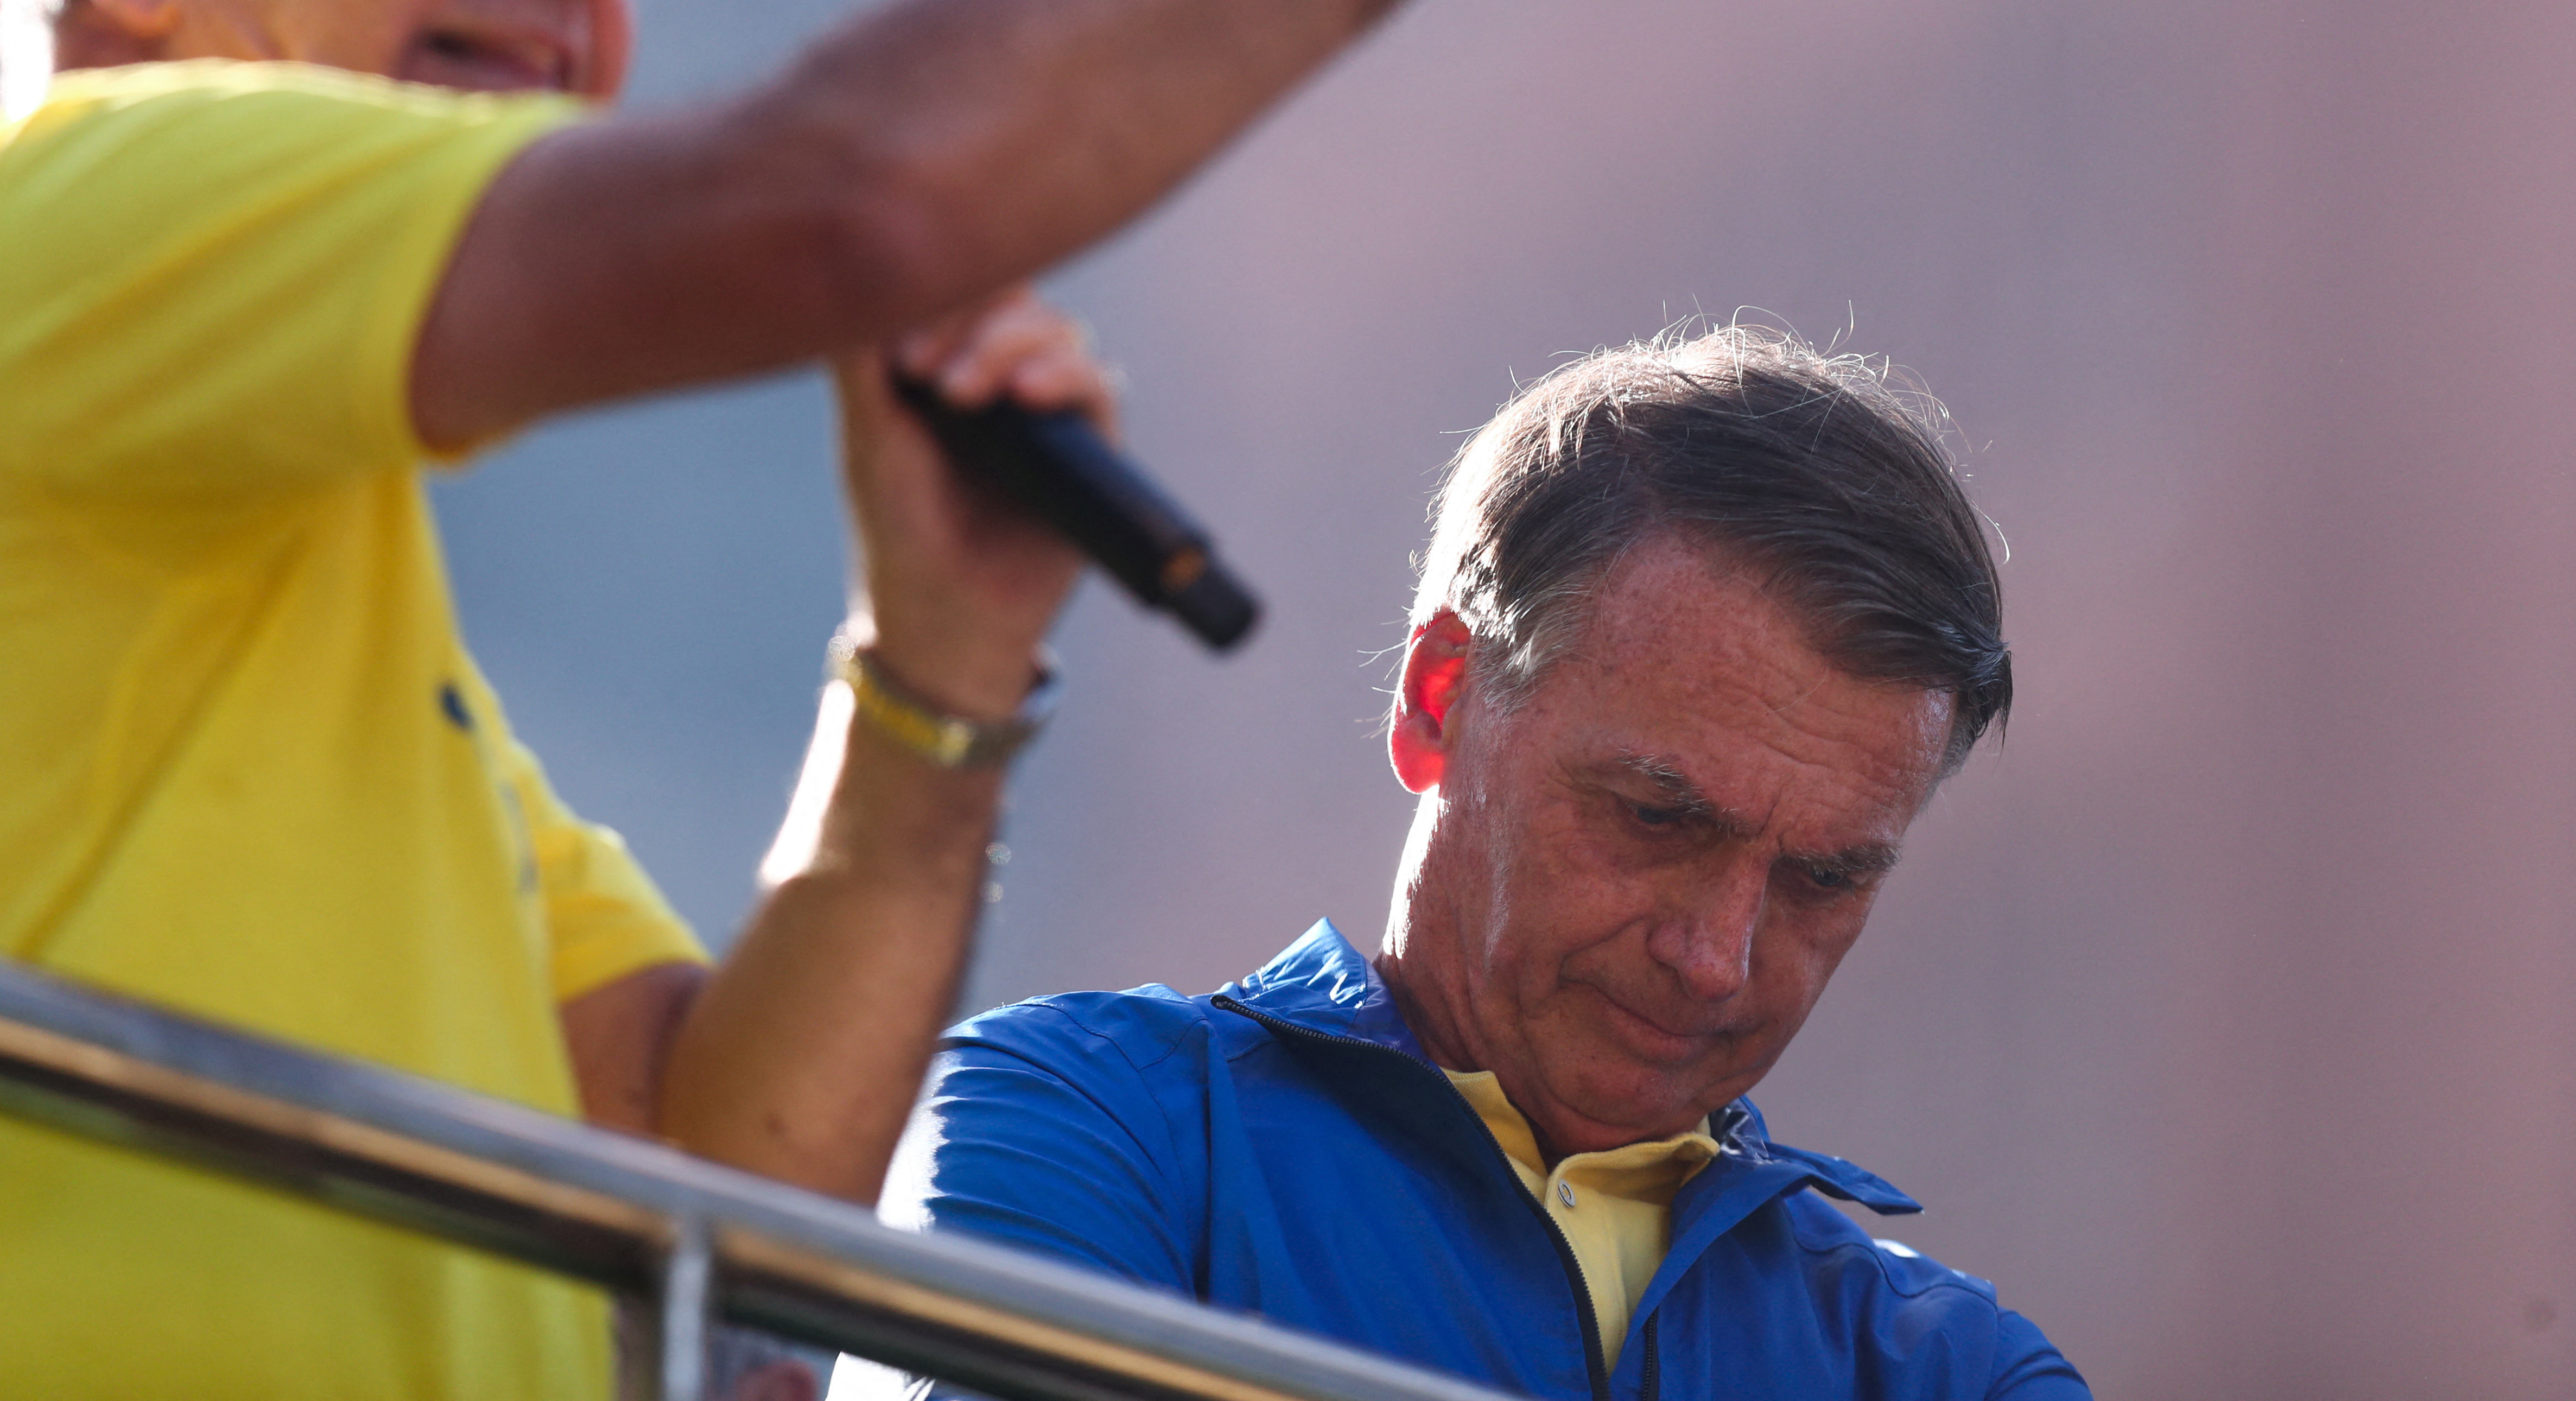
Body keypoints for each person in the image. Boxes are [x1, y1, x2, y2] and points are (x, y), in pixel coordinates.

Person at [0, 0, 1848, 1400]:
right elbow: (856, 197)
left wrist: (938, 668)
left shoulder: (308, 647)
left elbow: (717, 1199)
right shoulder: (45, 219)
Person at [889, 327, 2089, 1400]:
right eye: (1657, 818)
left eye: (1825, 878)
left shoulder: (1957, 1369)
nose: (1716, 958)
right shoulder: (1081, 1118)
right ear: (1435, 701)